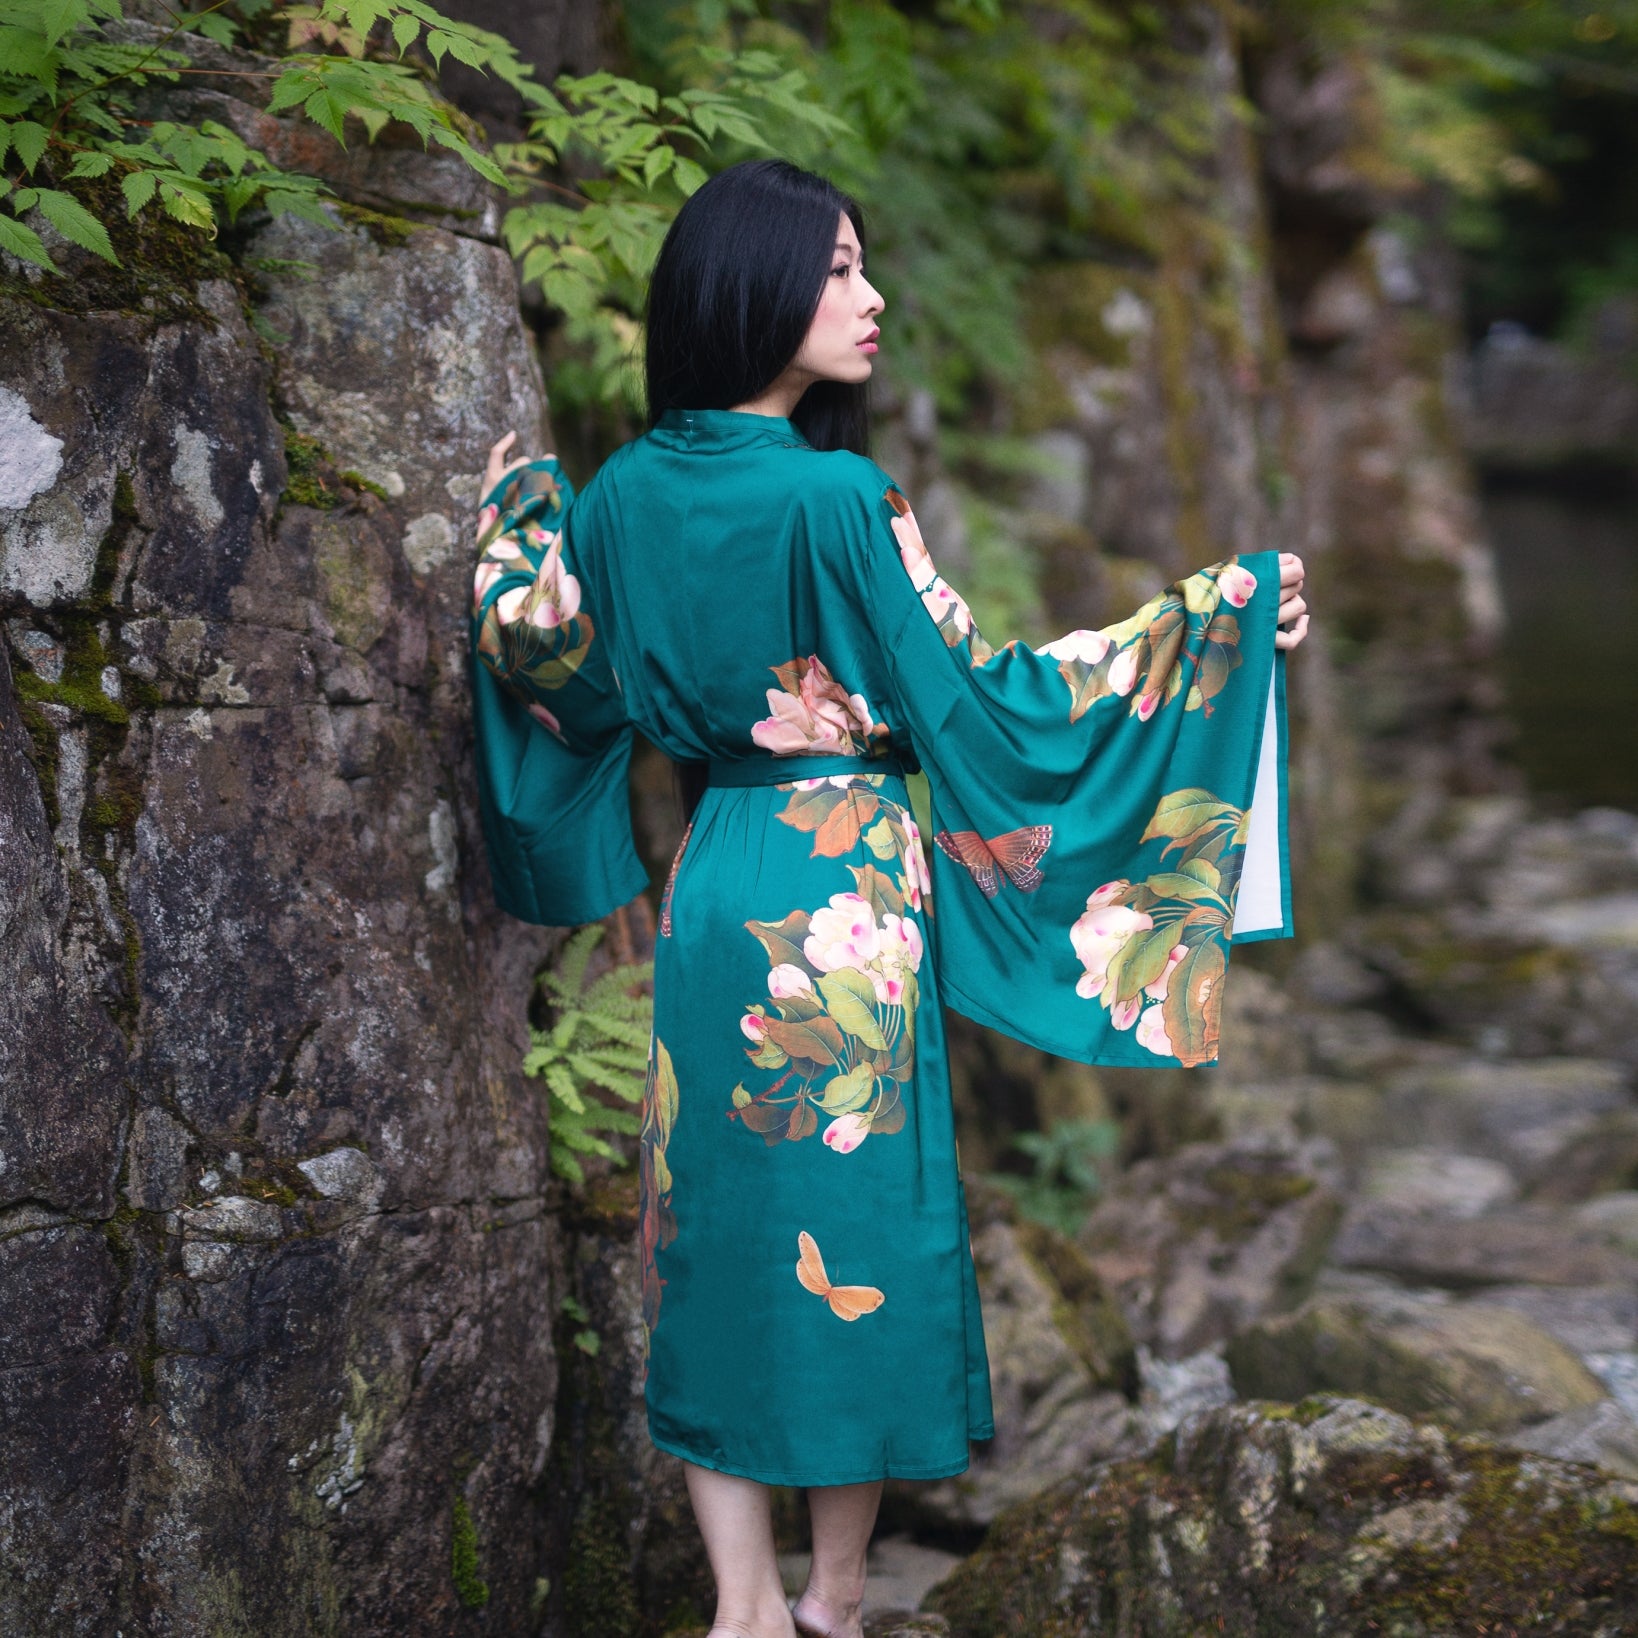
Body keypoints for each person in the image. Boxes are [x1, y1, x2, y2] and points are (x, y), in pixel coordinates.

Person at [468, 159, 1309, 1638]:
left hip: (718, 879)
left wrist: (515, 524)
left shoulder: (621, 498)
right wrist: (1214, 619)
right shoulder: (843, 497)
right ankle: (834, 1601)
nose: (870, 298)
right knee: (852, 1229)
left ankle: (737, 1607)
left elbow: (552, 666)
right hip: (847, 881)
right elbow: (988, 703)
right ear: (751, 286)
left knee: (713, 1239)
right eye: (838, 268)